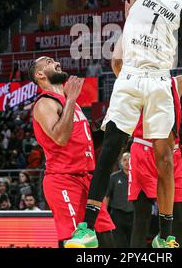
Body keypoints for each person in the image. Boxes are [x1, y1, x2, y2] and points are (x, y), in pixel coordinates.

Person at [67, 0, 182, 248]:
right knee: (109, 150)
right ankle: (87, 229)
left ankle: (164, 236)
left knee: (164, 159)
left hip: (160, 80)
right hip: (131, 77)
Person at [112, 2, 182, 248]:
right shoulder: (135, 81)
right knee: (140, 218)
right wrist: (130, 23)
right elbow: (117, 64)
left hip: (171, 155)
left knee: (180, 217)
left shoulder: (175, 84)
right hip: (143, 152)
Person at [28, 57, 115, 248]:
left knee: (106, 238)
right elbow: (60, 137)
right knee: (77, 244)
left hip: (86, 180)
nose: (56, 62)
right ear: (39, 74)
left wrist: (110, 127)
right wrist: (72, 98)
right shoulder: (44, 103)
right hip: (63, 180)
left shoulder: (69, 103)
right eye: (49, 61)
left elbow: (86, 141)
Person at [105, 152, 134, 248]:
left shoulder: (137, 176)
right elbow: (107, 196)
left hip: (133, 214)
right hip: (117, 215)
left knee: (133, 242)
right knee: (118, 243)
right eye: (124, 159)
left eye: (129, 159)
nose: (127, 162)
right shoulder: (114, 177)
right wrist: (105, 214)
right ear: (120, 162)